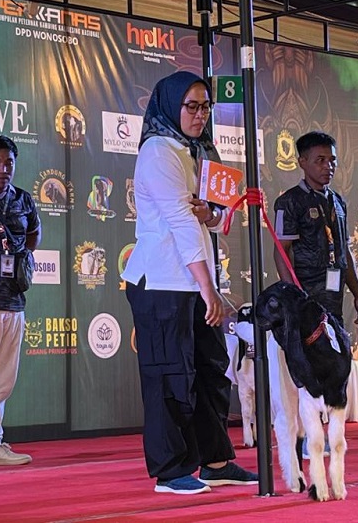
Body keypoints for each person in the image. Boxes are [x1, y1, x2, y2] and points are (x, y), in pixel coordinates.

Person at [122, 71, 257, 495]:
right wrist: (209, 289)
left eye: (205, 107)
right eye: (191, 106)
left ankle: (215, 460)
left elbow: (210, 218)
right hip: (162, 281)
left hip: (193, 281)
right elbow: (179, 224)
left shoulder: (197, 151)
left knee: (211, 370)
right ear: (170, 106)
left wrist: (212, 216)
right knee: (169, 375)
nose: (200, 115)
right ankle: (170, 471)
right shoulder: (159, 152)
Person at [0, 134, 42, 470]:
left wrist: (21, 255)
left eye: (8, 163)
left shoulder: (23, 200)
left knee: (1, 380)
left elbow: (34, 234)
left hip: (13, 300)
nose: (3, 170)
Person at [272, 131, 358, 327]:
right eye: (320, 160)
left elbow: (345, 251)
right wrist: (294, 297)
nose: (328, 166)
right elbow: (282, 251)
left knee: (336, 352)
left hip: (334, 299)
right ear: (302, 162)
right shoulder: (290, 201)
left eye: (332, 160)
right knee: (310, 352)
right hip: (306, 298)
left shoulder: (338, 201)